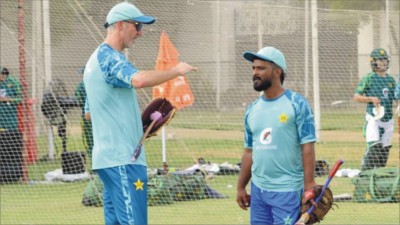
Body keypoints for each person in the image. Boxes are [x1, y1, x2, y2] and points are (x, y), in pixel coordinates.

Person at [83, 2, 196, 225]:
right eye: (137, 26)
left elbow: (90, 113)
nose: (140, 33)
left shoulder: (94, 61)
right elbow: (140, 80)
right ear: (121, 25)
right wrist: (175, 71)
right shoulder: (110, 58)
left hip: (108, 160)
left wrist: (135, 126)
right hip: (123, 159)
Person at [236, 46, 318, 225]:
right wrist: (241, 186)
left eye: (261, 68)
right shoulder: (252, 109)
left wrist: (309, 184)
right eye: (253, 68)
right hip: (258, 190)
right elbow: (249, 151)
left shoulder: (297, 104)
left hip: (288, 190)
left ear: (277, 72)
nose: (255, 72)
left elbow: (307, 146)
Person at [354, 48, 399, 171]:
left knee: (384, 150)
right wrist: (370, 99)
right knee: (374, 147)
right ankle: (365, 174)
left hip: (388, 118)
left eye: (385, 60)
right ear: (373, 62)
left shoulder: (391, 80)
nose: (383, 63)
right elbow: (356, 97)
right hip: (374, 118)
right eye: (380, 60)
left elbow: (396, 97)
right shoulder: (369, 78)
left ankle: (378, 175)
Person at [0, 66, 23, 183]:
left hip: (10, 124)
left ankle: (15, 175)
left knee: (11, 151)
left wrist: (7, 99)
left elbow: (20, 99)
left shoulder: (12, 82)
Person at [74, 66, 93, 160]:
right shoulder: (98, 83)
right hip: (102, 116)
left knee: (90, 140)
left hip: (87, 116)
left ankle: (95, 164)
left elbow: (78, 99)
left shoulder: (81, 85)